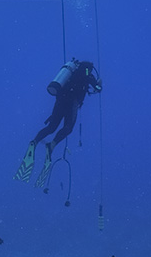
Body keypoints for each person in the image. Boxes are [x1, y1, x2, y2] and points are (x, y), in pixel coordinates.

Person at [14, 58, 102, 189]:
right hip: (72, 102)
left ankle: (35, 141)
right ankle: (52, 144)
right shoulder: (87, 75)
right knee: (68, 128)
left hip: (61, 100)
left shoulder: (72, 72)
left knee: (51, 127)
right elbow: (98, 88)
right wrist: (99, 84)